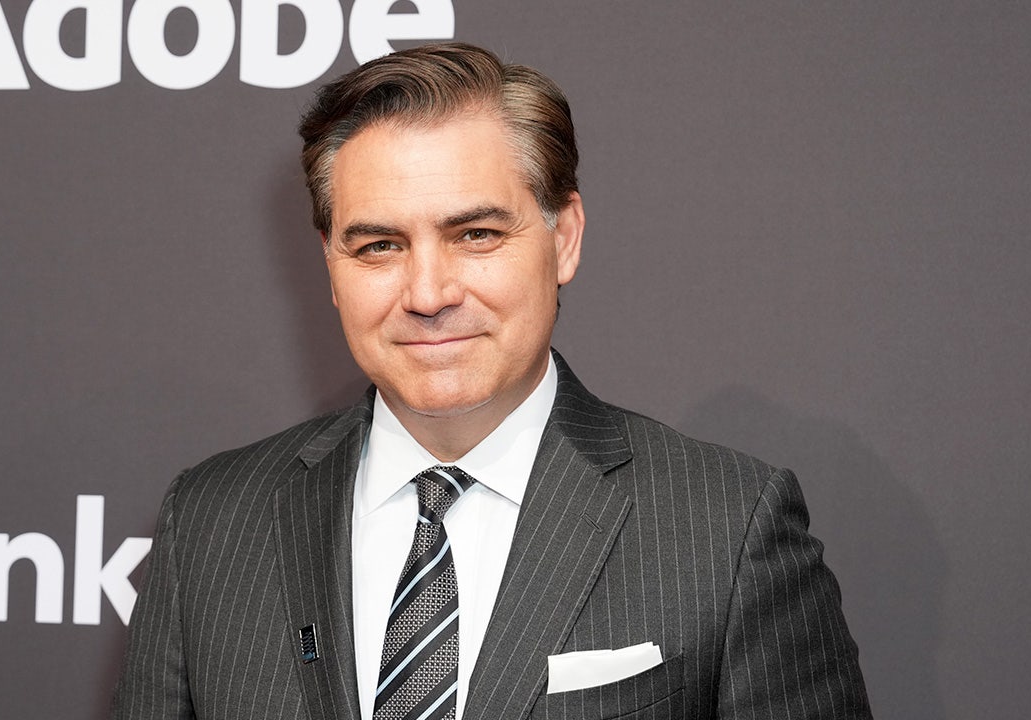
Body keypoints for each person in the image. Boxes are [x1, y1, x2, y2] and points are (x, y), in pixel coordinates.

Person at [111, 42, 872, 720]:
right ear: (331, 265)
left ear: (563, 237)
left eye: (475, 234)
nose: (428, 293)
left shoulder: (726, 531)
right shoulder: (209, 525)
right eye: (379, 246)